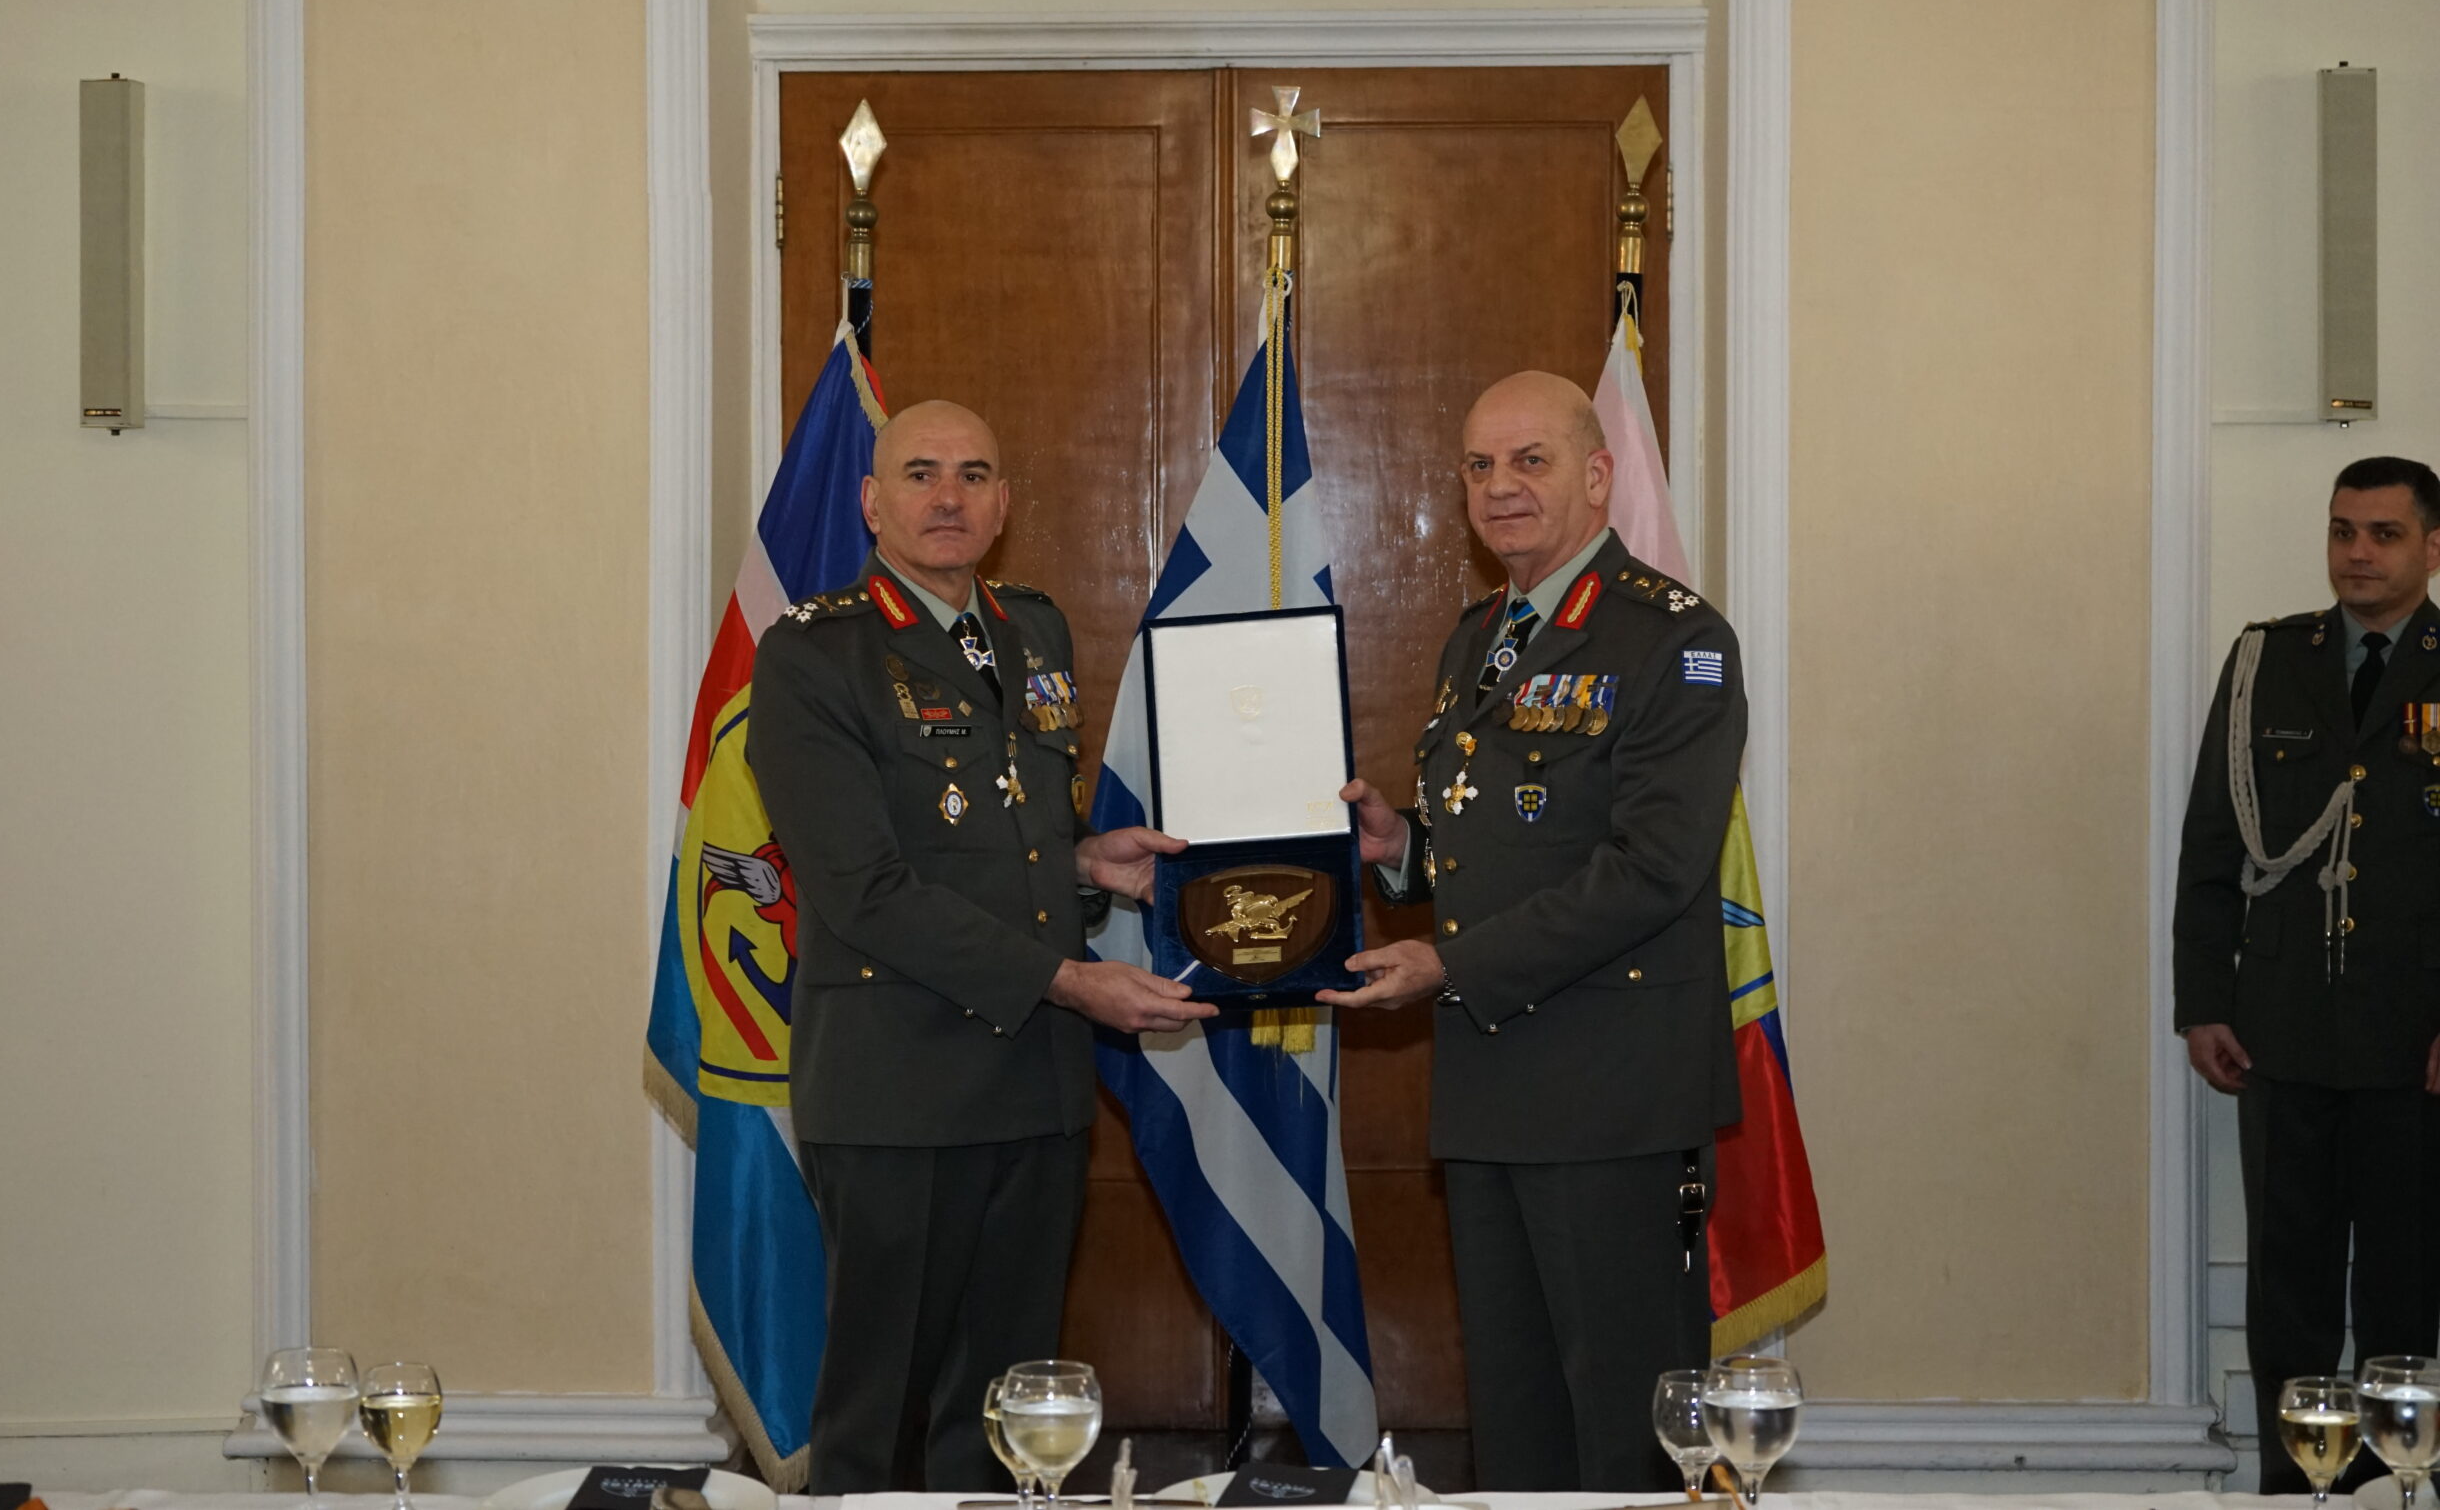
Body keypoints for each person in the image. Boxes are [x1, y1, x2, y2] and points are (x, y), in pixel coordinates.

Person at [747, 399, 1216, 1494]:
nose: (947, 497)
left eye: (972, 475)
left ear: (1003, 504)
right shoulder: (815, 653)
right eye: (920, 474)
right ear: (873, 502)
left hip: (1034, 1088)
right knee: (879, 1420)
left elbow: (1001, 839)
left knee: (1007, 1418)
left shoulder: (1032, 631)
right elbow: (866, 888)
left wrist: (1088, 863)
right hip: (897, 1091)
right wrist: (1070, 979)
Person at [1321, 370, 1746, 1490]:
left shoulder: (1675, 640)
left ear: (1597, 476)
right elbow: (1499, 846)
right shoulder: (1482, 638)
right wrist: (1400, 850)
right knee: (1516, 1434)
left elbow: (1653, 870)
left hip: (1615, 1098)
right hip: (1493, 1087)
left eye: (1530, 460)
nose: (1500, 486)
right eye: (1479, 465)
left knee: (1629, 1435)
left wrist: (1448, 962)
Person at [2175, 456, 2440, 1495]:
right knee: (2287, 1290)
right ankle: (2296, 1490)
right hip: (2281, 1029)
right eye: (2342, 531)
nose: (2357, 553)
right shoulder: (2266, 663)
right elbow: (2212, 842)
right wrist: (2203, 1001)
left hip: (2414, 1039)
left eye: (2383, 534)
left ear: (2430, 547)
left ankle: (2393, 1485)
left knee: (2403, 1291)